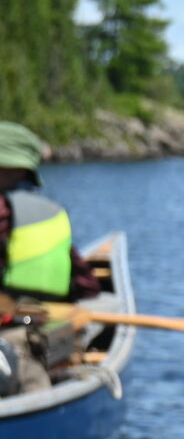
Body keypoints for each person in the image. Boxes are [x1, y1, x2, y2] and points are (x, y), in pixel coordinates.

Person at [0, 121, 100, 396]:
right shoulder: (51, 214)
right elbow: (88, 287)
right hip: (39, 334)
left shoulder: (4, 212)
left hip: (14, 343)